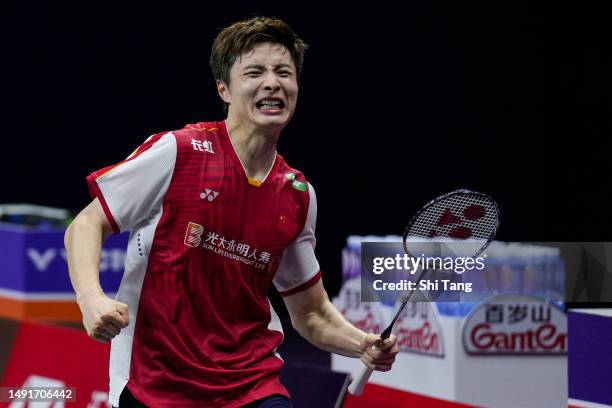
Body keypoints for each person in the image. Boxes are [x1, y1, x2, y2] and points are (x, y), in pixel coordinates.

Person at [65, 16, 398, 408]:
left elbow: (311, 313)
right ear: (223, 89)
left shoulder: (297, 194)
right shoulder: (180, 152)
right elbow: (87, 224)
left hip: (250, 384)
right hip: (155, 380)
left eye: (283, 73)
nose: (273, 82)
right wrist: (91, 299)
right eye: (255, 72)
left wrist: (362, 343)